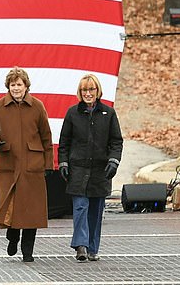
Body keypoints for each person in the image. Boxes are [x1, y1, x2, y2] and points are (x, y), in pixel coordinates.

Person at [0, 66, 53, 263]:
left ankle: (28, 252)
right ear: (8, 86)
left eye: (19, 85)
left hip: (33, 164)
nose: (16, 88)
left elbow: (46, 136)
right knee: (11, 205)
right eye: (13, 85)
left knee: (32, 210)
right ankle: (13, 236)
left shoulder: (37, 106)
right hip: (9, 163)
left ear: (26, 86)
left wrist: (49, 164)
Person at [58, 74, 123, 262]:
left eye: (91, 89)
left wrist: (113, 161)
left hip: (100, 171)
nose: (88, 93)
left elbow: (116, 141)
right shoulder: (72, 113)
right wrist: (63, 162)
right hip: (78, 170)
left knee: (95, 210)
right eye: (84, 90)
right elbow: (64, 142)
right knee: (80, 207)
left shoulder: (108, 113)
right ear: (80, 92)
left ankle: (93, 247)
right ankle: (81, 246)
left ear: (98, 91)